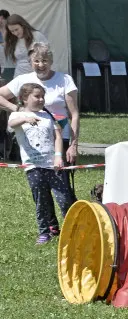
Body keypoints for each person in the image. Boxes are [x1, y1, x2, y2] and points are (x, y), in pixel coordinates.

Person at [9, 82, 75, 244]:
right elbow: (11, 125)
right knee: (41, 200)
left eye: (42, 97)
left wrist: (59, 156)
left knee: (64, 198)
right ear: (24, 98)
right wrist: (25, 118)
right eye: (36, 96)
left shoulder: (48, 116)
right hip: (34, 167)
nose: (41, 100)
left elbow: (58, 136)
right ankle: (45, 231)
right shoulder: (16, 116)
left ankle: (71, 229)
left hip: (53, 166)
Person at [1, 43, 80, 165]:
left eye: (45, 61)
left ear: (51, 61)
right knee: (37, 180)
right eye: (36, 61)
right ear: (30, 62)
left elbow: (74, 115)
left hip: (60, 137)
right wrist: (17, 109)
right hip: (32, 140)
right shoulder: (22, 79)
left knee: (62, 180)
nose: (41, 65)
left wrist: (73, 145)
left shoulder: (65, 79)